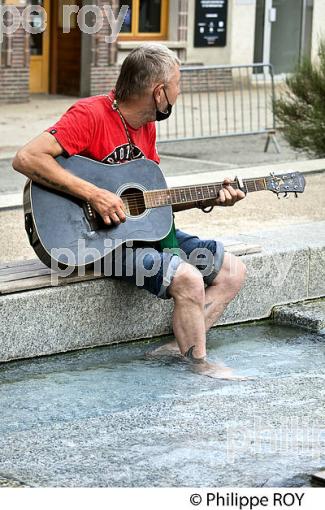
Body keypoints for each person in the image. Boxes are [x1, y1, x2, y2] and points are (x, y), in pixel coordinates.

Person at [13, 44, 247, 379]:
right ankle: (200, 366)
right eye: (178, 85)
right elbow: (26, 158)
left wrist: (206, 197)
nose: (180, 93)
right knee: (188, 278)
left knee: (232, 271)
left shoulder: (146, 126)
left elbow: (147, 201)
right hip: (90, 242)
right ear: (159, 92)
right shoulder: (90, 115)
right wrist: (94, 195)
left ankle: (177, 347)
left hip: (138, 233)